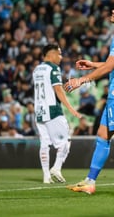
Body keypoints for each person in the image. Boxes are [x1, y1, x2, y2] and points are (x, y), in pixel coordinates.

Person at [64, 3, 114, 197]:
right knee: (102, 136)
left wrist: (81, 80)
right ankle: (90, 182)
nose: (112, 11)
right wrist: (93, 64)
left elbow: (109, 68)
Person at [32, 44, 82, 184]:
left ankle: (46, 176)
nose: (61, 57)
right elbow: (58, 91)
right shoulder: (53, 69)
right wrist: (71, 109)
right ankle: (57, 167)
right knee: (66, 141)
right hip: (53, 110)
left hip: (39, 110)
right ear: (51, 54)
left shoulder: (36, 69)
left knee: (45, 143)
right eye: (59, 54)